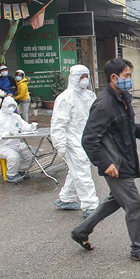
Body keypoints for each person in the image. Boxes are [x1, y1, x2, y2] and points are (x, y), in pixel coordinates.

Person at [70, 58, 140, 264]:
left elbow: (122, 128)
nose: (130, 80)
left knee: (115, 201)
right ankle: (139, 249)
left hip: (125, 158)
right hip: (115, 165)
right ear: (114, 77)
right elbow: (89, 139)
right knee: (133, 205)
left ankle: (81, 231)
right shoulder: (103, 104)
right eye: (127, 76)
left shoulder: (123, 97)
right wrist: (104, 163)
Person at [50, 64, 99, 218]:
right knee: (82, 171)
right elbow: (59, 123)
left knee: (77, 170)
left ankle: (66, 198)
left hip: (87, 138)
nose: (84, 80)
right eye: (81, 77)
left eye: (86, 76)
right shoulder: (65, 98)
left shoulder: (90, 96)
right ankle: (91, 206)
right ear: (73, 78)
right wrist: (60, 144)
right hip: (71, 140)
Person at [0, 96, 37, 184]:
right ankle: (11, 175)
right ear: (4, 106)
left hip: (16, 144)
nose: (11, 108)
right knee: (14, 156)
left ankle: (22, 170)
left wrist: (31, 127)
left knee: (32, 153)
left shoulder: (15, 117)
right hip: (2, 146)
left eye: (13, 106)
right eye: (9, 106)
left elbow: (24, 126)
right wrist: (8, 133)